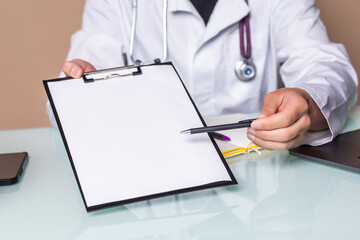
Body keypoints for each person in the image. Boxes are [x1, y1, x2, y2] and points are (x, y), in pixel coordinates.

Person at [48, 0, 358, 150]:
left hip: (254, 174)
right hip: (154, 173)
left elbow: (325, 66)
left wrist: (306, 99)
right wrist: (82, 92)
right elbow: (74, 84)